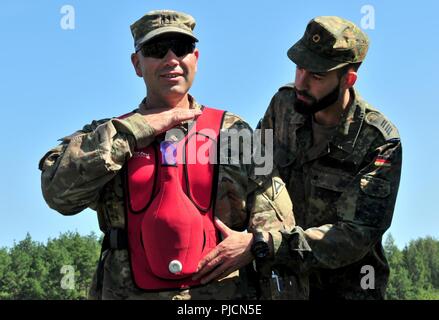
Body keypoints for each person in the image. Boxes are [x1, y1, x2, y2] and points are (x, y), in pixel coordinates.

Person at [39, 9, 294, 300]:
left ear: (195, 59)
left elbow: (279, 223)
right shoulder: (107, 136)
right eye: (157, 50)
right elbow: (58, 194)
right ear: (137, 64)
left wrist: (253, 244)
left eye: (182, 49)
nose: (171, 59)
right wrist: (134, 130)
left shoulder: (235, 133)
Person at [195, 16, 402, 300]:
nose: (301, 83)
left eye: (316, 76)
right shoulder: (283, 107)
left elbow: (354, 237)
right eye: (299, 68)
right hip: (280, 287)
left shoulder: (378, 142)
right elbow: (251, 173)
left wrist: (264, 243)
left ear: (348, 79)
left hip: (344, 290)